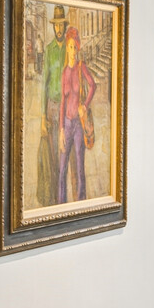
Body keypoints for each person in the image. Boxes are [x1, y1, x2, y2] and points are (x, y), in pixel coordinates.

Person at [57, 27, 97, 204]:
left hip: (79, 125)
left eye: (75, 47)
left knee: (80, 168)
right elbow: (62, 102)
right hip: (67, 124)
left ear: (78, 48)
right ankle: (61, 205)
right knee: (62, 169)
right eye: (70, 47)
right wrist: (60, 130)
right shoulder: (65, 72)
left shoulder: (82, 67)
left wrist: (85, 105)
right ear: (67, 48)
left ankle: (81, 205)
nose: (73, 51)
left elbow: (93, 85)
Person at [38, 5, 68, 205]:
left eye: (61, 25)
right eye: (55, 25)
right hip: (51, 106)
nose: (58, 29)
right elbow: (44, 84)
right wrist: (43, 116)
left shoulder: (69, 48)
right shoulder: (48, 50)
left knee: (63, 153)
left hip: (66, 109)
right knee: (51, 153)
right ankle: (53, 197)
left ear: (65, 26)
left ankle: (61, 196)